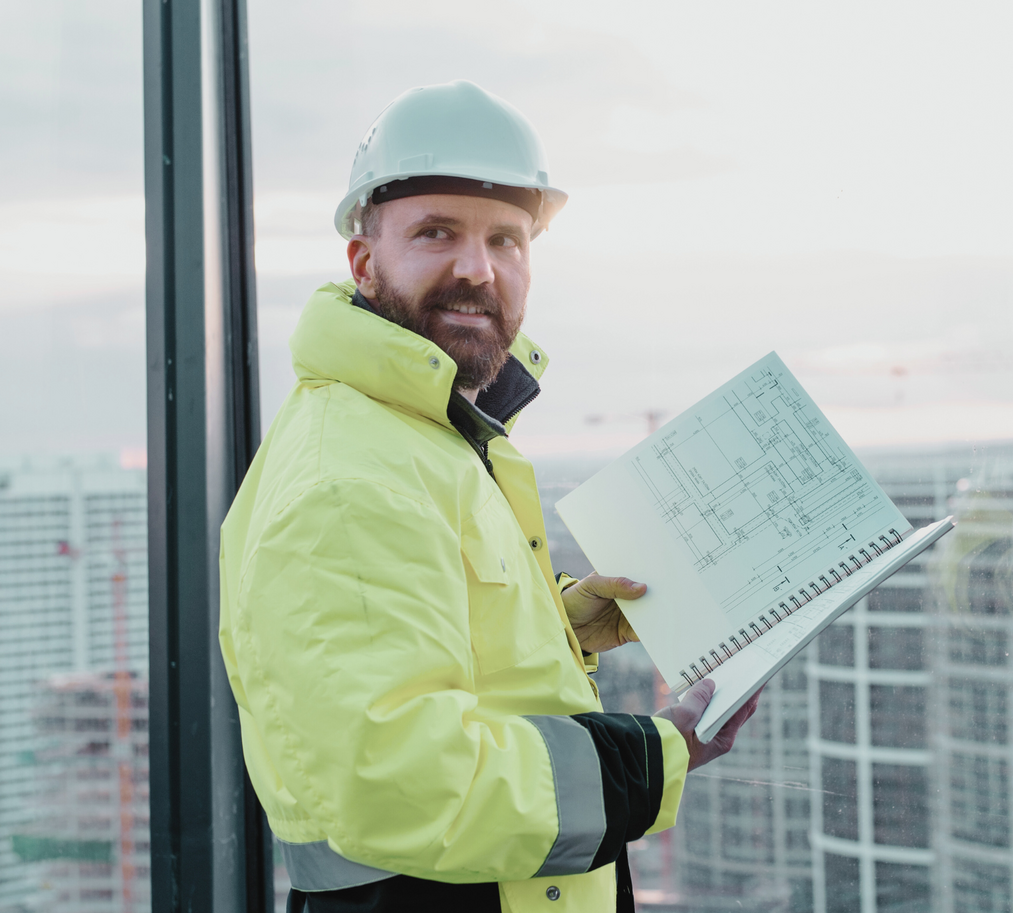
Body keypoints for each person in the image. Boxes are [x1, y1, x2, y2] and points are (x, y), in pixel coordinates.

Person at [218, 80, 760, 913]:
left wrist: (559, 623)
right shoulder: (348, 477)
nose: (479, 269)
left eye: (506, 240)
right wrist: (662, 751)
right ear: (365, 263)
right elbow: (401, 780)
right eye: (438, 233)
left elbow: (427, 655)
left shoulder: (428, 438)